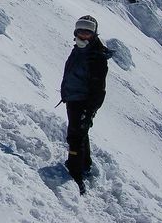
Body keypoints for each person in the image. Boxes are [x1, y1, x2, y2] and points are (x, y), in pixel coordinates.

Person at [60, 15, 112, 195]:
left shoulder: (95, 57)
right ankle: (84, 164)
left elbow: (99, 89)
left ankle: (75, 173)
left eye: (88, 32)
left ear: (94, 34)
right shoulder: (80, 49)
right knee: (81, 134)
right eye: (81, 31)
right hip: (73, 98)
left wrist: (89, 112)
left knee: (75, 136)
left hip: (82, 102)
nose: (83, 35)